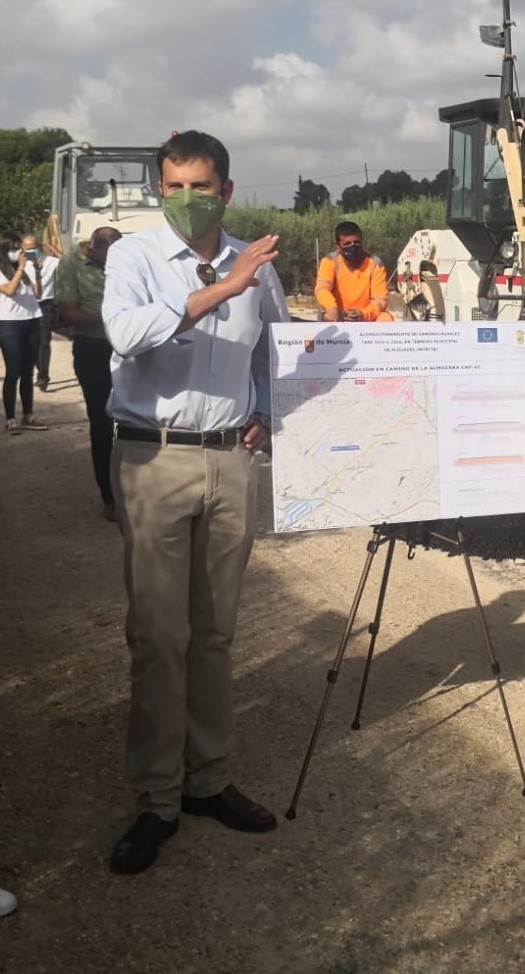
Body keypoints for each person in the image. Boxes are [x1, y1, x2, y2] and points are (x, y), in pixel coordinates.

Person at [102, 129, 289, 876]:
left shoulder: (257, 263)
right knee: (158, 638)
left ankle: (209, 781)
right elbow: (126, 333)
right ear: (160, 189)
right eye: (174, 186)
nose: (187, 199)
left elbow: (278, 350)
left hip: (229, 464)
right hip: (153, 459)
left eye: (201, 186)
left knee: (214, 636)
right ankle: (156, 800)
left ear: (227, 190)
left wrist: (268, 412)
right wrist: (222, 286)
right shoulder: (134, 257)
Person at [55, 226, 122, 520]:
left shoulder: (124, 259)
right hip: (93, 350)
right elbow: (71, 315)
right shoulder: (71, 265)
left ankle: (141, 493)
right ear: (91, 249)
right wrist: (117, 317)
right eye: (107, 257)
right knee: (102, 423)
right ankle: (110, 498)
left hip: (130, 351)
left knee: (140, 421)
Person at [0, 231, 47, 432]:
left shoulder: (23, 271)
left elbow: (38, 294)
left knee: (28, 372)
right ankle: (11, 418)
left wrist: (35, 271)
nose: (20, 252)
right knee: (14, 371)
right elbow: (10, 290)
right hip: (10, 324)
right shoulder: (4, 270)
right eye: (15, 248)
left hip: (31, 321)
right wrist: (20, 267)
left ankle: (28, 415)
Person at [315, 221, 393, 322]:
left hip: (365, 317)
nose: (353, 246)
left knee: (385, 318)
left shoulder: (375, 264)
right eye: (347, 244)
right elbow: (322, 289)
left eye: (356, 242)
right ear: (338, 246)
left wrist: (363, 314)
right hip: (338, 315)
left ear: (362, 242)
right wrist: (331, 307)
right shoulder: (330, 261)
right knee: (326, 315)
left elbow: (380, 300)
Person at [30, 236, 59, 391]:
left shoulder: (50, 261)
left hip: (46, 305)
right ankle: (39, 371)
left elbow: (65, 261)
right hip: (27, 306)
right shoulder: (22, 263)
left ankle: (43, 377)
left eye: (33, 247)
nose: (30, 251)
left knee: (43, 342)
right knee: (31, 343)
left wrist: (50, 246)